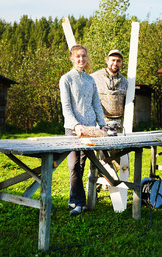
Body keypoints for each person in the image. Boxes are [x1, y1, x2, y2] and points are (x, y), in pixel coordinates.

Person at [59, 44, 106, 216]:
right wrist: (76, 125)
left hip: (90, 130)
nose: (81, 59)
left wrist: (102, 124)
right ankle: (79, 202)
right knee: (73, 166)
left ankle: (75, 201)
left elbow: (96, 104)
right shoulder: (66, 79)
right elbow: (66, 107)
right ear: (72, 58)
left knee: (83, 164)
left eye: (84, 56)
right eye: (78, 56)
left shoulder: (90, 80)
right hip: (73, 130)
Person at [90, 49, 128, 128]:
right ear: (107, 61)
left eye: (118, 61)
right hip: (99, 123)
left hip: (119, 124)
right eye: (113, 60)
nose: (115, 63)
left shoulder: (125, 82)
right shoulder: (94, 78)